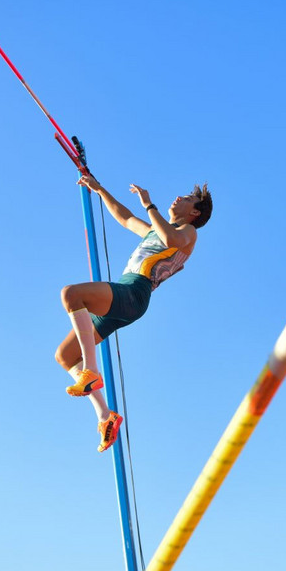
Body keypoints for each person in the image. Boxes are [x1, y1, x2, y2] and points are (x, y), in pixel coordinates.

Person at [54, 173, 213, 452]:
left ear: (194, 212)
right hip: (126, 294)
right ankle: (105, 416)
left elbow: (171, 238)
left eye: (188, 199)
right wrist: (99, 189)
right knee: (65, 356)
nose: (179, 197)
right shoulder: (156, 229)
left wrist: (149, 205)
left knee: (72, 294)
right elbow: (125, 218)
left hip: (135, 292)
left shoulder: (189, 233)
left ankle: (91, 371)